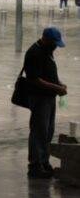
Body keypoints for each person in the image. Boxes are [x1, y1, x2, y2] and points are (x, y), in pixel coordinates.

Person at [23, 27, 68, 179]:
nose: (56, 46)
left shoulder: (47, 51)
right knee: (38, 131)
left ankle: (44, 161)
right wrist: (57, 87)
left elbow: (48, 75)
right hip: (39, 98)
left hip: (49, 97)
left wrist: (59, 84)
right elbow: (35, 79)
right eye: (54, 43)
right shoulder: (34, 53)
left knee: (48, 131)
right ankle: (35, 165)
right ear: (46, 39)